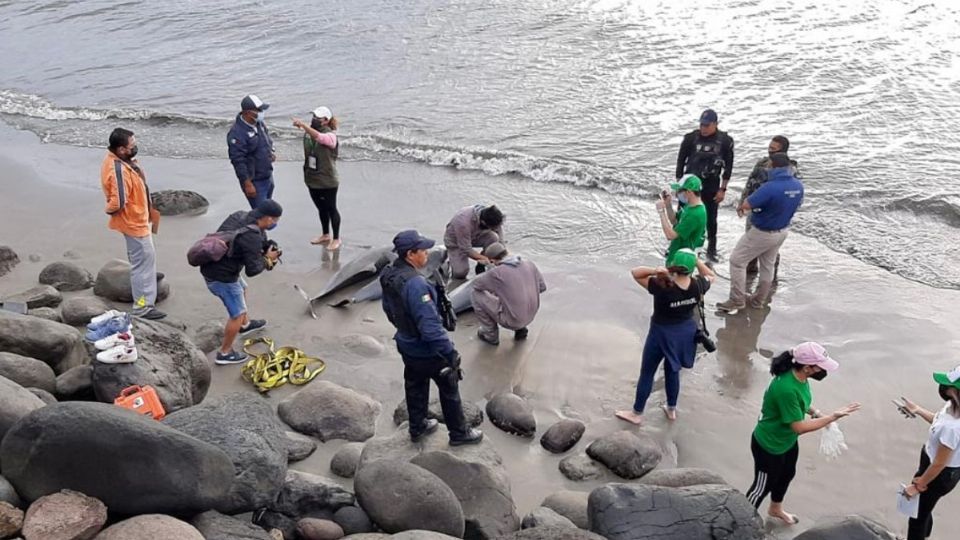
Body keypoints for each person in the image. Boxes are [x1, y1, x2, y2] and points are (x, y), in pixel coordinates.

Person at [381, 230, 484, 446]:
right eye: (423, 250)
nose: (427, 253)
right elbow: (431, 328)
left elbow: (388, 308)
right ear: (410, 254)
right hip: (427, 349)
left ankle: (417, 426)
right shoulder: (417, 285)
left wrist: (405, 331)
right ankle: (459, 433)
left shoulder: (388, 274)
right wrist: (450, 353)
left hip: (405, 342)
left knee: (415, 384)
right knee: (449, 387)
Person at [745, 342, 861, 525]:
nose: (824, 371)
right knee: (762, 487)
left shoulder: (799, 377)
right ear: (808, 368)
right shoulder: (786, 388)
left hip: (787, 441)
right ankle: (741, 521)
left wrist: (818, 414)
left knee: (786, 474)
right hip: (769, 445)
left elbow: (801, 404)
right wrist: (831, 417)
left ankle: (775, 509)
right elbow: (798, 427)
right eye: (821, 367)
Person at [615, 249, 716, 425]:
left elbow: (636, 273)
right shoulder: (699, 284)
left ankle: (636, 413)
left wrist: (657, 271)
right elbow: (711, 275)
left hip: (661, 334)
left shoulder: (662, 286)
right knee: (673, 371)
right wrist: (696, 261)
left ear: (672, 265)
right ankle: (671, 409)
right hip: (685, 333)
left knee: (647, 373)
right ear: (692, 268)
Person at [717, 153, 803, 314]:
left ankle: (737, 300)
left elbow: (747, 204)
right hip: (782, 230)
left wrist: (746, 207)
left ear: (774, 167)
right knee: (767, 265)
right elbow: (797, 205)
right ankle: (758, 300)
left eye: (769, 165)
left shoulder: (770, 187)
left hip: (762, 231)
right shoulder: (798, 185)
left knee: (737, 261)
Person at [199, 200, 282, 364]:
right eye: (276, 221)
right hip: (221, 277)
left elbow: (240, 242)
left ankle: (246, 325)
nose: (276, 224)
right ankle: (225, 353)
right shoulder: (251, 236)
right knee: (236, 313)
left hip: (214, 266)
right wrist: (268, 259)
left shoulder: (240, 216)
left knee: (243, 288)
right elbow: (253, 270)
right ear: (269, 219)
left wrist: (265, 245)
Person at [99, 128, 166, 320]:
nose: (135, 147)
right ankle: (143, 306)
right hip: (133, 223)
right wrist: (111, 212)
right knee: (141, 265)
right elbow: (117, 201)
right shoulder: (117, 169)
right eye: (132, 146)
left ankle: (148, 283)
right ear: (121, 150)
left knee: (146, 260)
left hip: (139, 220)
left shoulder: (123, 162)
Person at [900, 365, 960, 540]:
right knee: (925, 507)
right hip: (933, 466)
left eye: (947, 385)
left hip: (939, 473)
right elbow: (937, 419)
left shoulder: (954, 428)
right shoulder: (952, 407)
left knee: (917, 516)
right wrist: (918, 410)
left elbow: (940, 463)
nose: (942, 388)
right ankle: (925, 535)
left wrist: (918, 485)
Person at [675, 109, 735, 261]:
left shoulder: (725, 141)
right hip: (689, 184)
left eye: (707, 125)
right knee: (683, 214)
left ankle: (711, 249)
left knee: (710, 218)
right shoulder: (690, 138)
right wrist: (679, 184)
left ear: (715, 124)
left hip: (711, 185)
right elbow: (680, 160)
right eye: (702, 125)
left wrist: (723, 189)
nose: (703, 128)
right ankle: (679, 244)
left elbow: (728, 167)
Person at [740, 136, 800, 275]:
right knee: (750, 238)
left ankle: (772, 275)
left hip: (774, 212)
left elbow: (795, 192)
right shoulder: (762, 163)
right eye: (769, 147)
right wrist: (742, 202)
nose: (769, 151)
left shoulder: (790, 168)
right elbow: (750, 182)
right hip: (754, 206)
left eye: (773, 149)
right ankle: (751, 269)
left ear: (782, 152)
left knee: (772, 246)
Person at [471, 243, 547, 346]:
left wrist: (489, 267)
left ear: (493, 260)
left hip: (513, 321)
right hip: (531, 316)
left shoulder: (496, 273)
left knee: (475, 294)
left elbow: (476, 285)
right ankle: (521, 329)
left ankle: (490, 335)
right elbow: (542, 288)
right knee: (509, 291)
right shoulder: (529, 264)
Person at [292, 106, 341, 249]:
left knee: (331, 208)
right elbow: (312, 137)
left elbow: (321, 138)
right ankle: (325, 234)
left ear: (326, 121)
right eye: (313, 116)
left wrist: (304, 126)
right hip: (311, 178)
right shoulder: (308, 134)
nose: (314, 119)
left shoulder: (331, 136)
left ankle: (336, 238)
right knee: (321, 208)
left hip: (327, 180)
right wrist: (303, 127)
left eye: (317, 118)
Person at [227, 95, 276, 209]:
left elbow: (266, 139)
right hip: (254, 181)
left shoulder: (259, 124)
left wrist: (271, 152)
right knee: (261, 216)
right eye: (259, 110)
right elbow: (238, 161)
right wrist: (247, 183)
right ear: (248, 113)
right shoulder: (237, 133)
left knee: (268, 212)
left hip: (267, 175)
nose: (262, 112)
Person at [443, 205, 505, 279]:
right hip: (456, 241)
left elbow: (500, 239)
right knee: (460, 273)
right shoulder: (463, 222)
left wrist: (501, 255)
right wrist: (486, 259)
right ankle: (449, 262)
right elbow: (466, 249)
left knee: (494, 238)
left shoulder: (492, 217)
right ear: (483, 222)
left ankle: (480, 266)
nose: (494, 228)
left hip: (476, 235)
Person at [658, 174, 706, 260]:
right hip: (677, 252)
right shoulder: (690, 205)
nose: (677, 194)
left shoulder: (694, 214)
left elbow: (670, 235)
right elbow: (674, 221)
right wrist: (668, 204)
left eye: (679, 191)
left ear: (688, 192)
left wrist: (661, 212)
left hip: (682, 260)